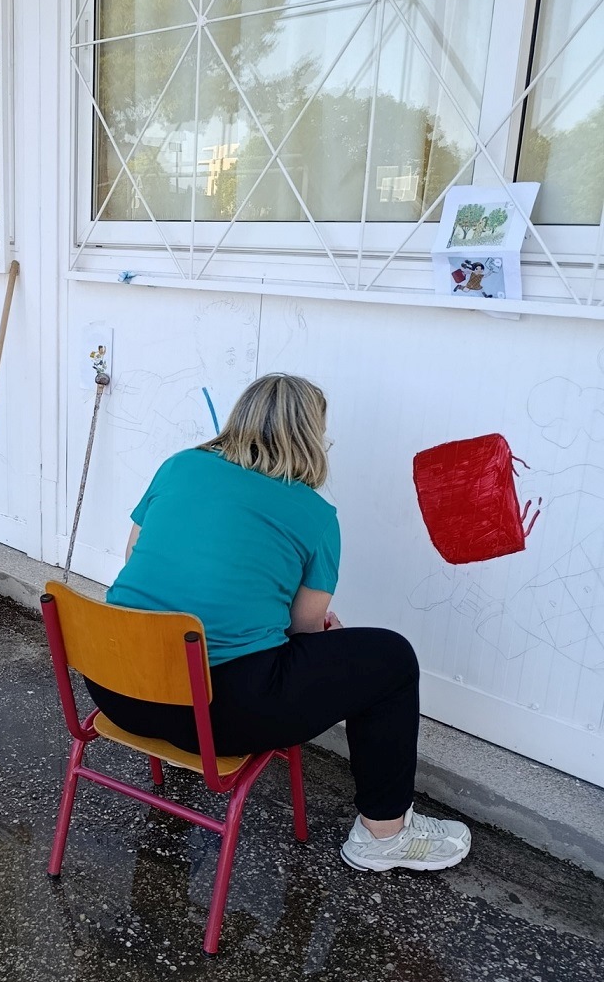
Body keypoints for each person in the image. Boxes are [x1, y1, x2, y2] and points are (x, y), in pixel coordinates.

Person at [85, 373, 471, 873]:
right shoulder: (314, 514)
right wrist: (318, 632)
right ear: (312, 438)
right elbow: (302, 629)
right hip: (215, 718)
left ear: (239, 418)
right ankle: (384, 834)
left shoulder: (179, 466)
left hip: (116, 686)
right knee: (392, 660)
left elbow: (134, 554)